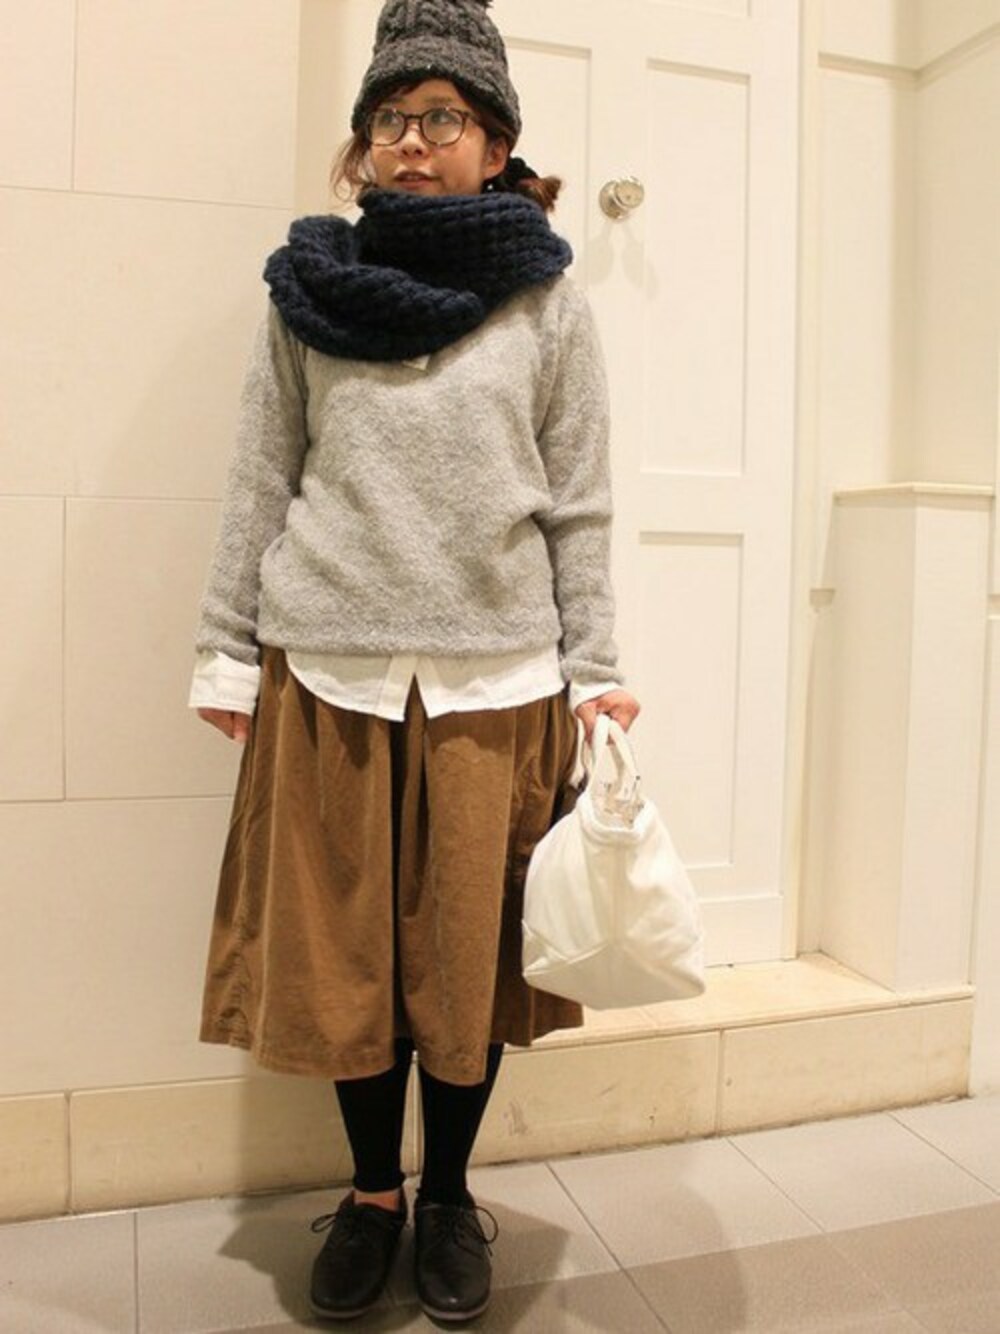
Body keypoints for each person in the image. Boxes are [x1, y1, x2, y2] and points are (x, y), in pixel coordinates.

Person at [189, 0, 639, 1321]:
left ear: (496, 144)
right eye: (390, 117)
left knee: (464, 963)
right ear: (364, 142)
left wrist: (598, 666)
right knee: (343, 964)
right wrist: (224, 650)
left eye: (442, 116)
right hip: (328, 672)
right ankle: (371, 1192)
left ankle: (446, 1197)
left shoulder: (547, 303)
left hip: (497, 685)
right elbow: (260, 477)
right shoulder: (307, 290)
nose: (411, 140)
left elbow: (581, 504)